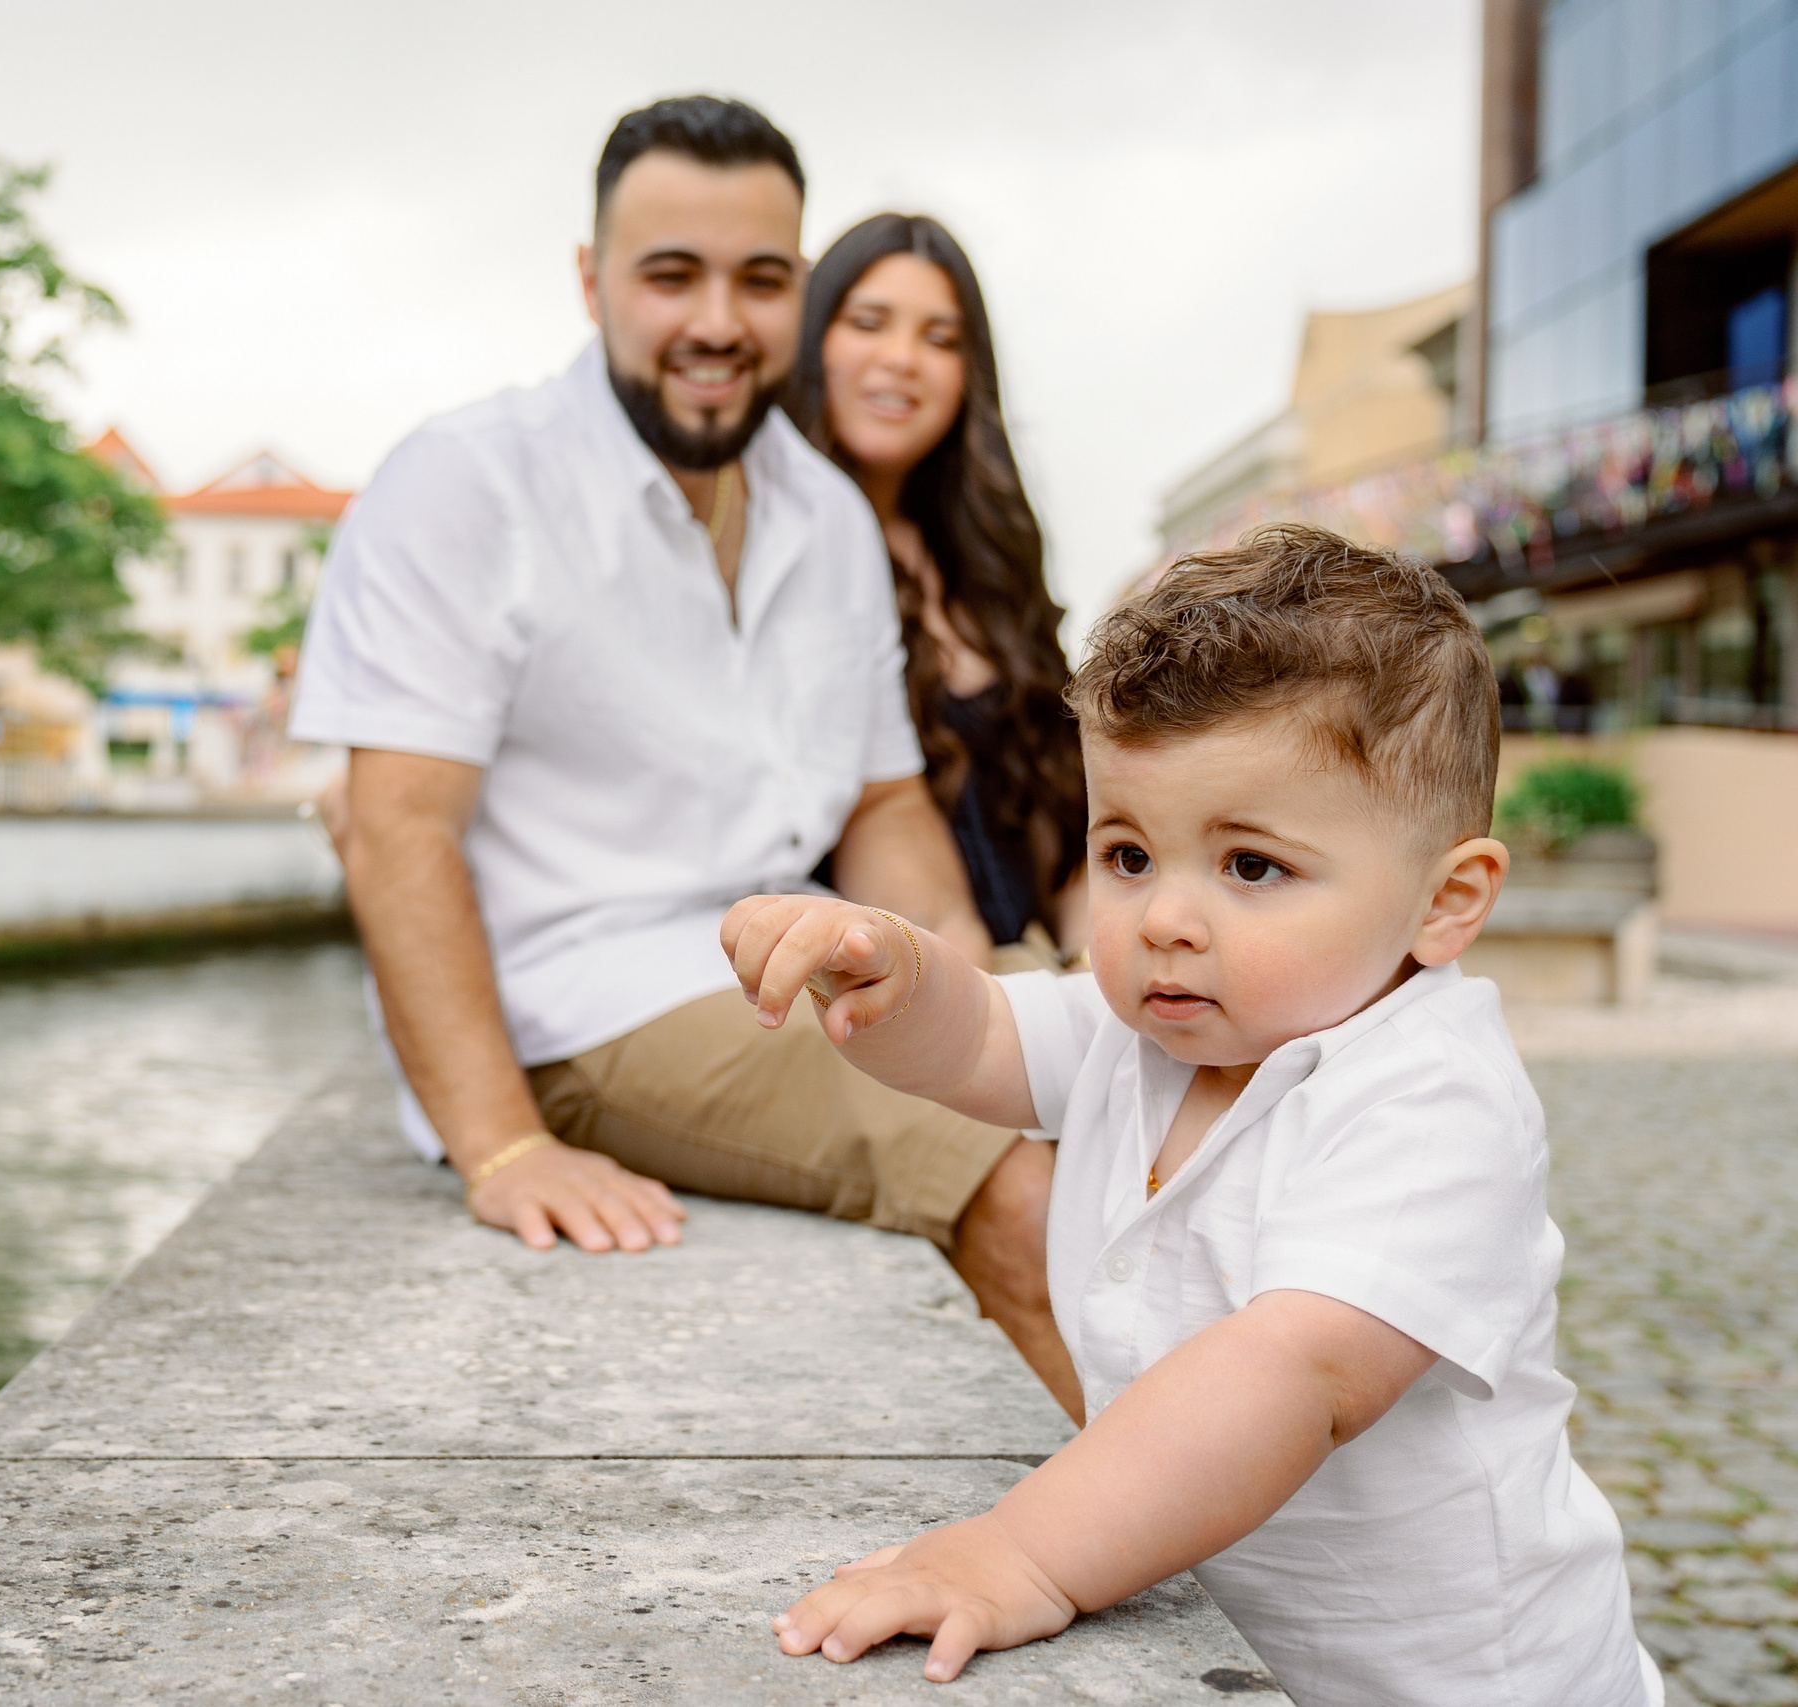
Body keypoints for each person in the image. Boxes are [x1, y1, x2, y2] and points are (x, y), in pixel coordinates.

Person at [723, 524, 1655, 1704]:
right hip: (1248, 1646)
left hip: (1463, 1680)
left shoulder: (1429, 1101)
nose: (1164, 918)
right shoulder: (1150, 1033)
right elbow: (984, 1037)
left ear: (1444, 901)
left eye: (1249, 867)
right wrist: (891, 968)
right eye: (1126, 853)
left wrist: (1021, 1550)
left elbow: (1294, 1372)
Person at [290, 95, 1076, 1415]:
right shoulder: (466, 483)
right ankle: (1221, 1579)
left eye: (761, 279)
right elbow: (396, 829)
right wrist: (501, 1146)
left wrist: (981, 983)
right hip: (586, 1004)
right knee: (1031, 1180)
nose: (720, 320)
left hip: (795, 954)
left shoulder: (825, 515)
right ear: (592, 282)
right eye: (672, 274)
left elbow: (885, 798)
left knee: (1159, 1089)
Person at [787, 214, 1087, 960]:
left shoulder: (989, 556)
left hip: (1035, 972)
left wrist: (1095, 970)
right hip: (884, 980)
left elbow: (1060, 809)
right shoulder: (773, 551)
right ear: (812, 339)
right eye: (869, 322)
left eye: (940, 338)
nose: (902, 359)